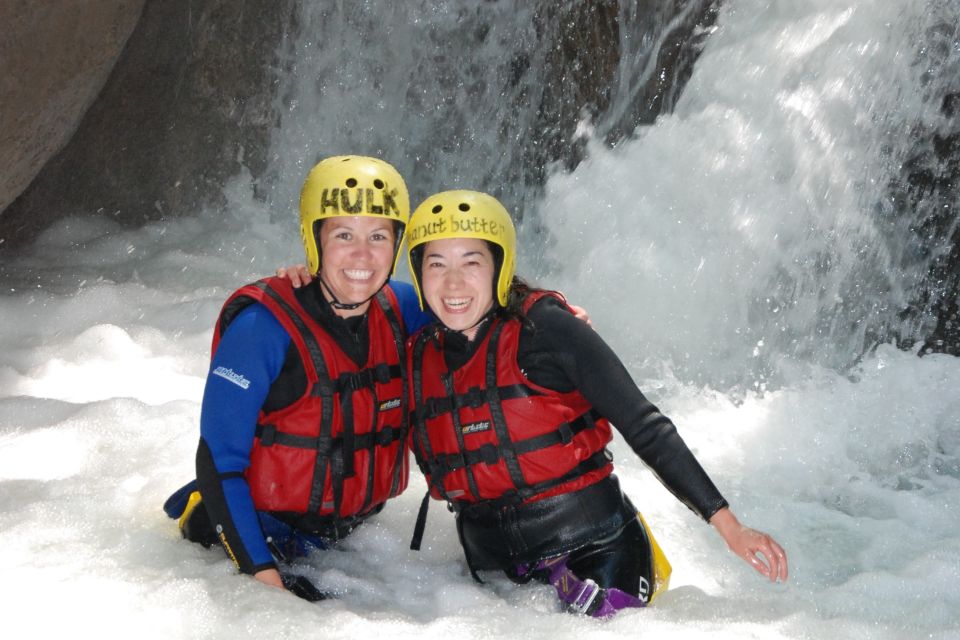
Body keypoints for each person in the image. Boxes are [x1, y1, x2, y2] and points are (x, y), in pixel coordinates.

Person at [403, 190, 788, 617]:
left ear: (499, 266)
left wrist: (730, 528)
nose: (453, 283)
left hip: (597, 554)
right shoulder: (418, 356)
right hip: (493, 577)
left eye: (471, 262)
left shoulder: (545, 330)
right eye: (436, 265)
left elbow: (644, 425)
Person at [163, 156, 433, 600]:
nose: (363, 255)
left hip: (351, 543)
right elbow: (218, 461)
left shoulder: (400, 306)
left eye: (379, 236)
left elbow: (476, 306)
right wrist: (264, 582)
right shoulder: (261, 329)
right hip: (243, 544)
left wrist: (547, 307)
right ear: (315, 240)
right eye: (343, 235)